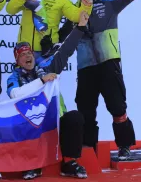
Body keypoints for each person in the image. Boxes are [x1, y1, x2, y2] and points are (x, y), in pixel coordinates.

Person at [66, 0, 141, 160]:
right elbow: (62, 39)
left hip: (109, 64)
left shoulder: (108, 2)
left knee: (117, 107)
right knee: (86, 111)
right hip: (85, 68)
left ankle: (124, 145)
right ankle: (89, 150)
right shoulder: (71, 11)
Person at [7, 11, 90, 180]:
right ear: (17, 61)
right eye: (22, 55)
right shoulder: (13, 77)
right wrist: (41, 82)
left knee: (75, 117)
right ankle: (32, 164)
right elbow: (15, 94)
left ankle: (69, 162)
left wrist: (80, 27)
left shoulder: (46, 68)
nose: (27, 56)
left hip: (56, 120)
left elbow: (65, 50)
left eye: (29, 53)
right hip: (32, 122)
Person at [6, 0, 92, 60]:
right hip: (25, 50)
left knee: (46, 76)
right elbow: (10, 10)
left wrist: (86, 6)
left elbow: (76, 16)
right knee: (24, 76)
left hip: (47, 51)